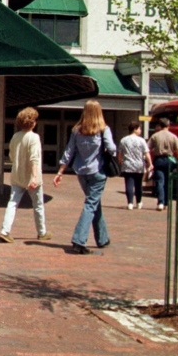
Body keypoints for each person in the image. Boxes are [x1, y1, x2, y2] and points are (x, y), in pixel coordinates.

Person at [53, 99, 115, 255]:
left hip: (81, 172)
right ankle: (79, 240)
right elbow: (112, 148)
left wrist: (61, 171)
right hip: (98, 172)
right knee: (90, 204)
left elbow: (69, 151)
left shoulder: (77, 130)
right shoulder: (103, 129)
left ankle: (102, 238)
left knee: (94, 203)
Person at [0, 106, 49, 242]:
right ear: (32, 122)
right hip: (32, 178)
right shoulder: (34, 137)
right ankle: (42, 232)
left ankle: (5, 230)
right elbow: (34, 159)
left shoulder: (15, 137)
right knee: (38, 205)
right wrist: (34, 177)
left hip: (17, 175)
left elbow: (10, 155)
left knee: (12, 203)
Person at [148, 118, 178, 211]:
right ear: (169, 125)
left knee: (160, 181)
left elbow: (147, 148)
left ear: (159, 125)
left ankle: (160, 202)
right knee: (168, 182)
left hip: (158, 160)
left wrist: (149, 160)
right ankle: (166, 202)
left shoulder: (155, 136)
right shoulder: (173, 136)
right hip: (169, 160)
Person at [118, 122, 153, 210]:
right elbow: (146, 153)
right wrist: (150, 163)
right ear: (135, 129)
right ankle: (139, 202)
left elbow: (120, 153)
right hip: (139, 165)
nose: (140, 130)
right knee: (138, 185)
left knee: (129, 184)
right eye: (139, 129)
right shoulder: (141, 140)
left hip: (128, 165)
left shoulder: (123, 140)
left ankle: (130, 203)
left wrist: (120, 161)